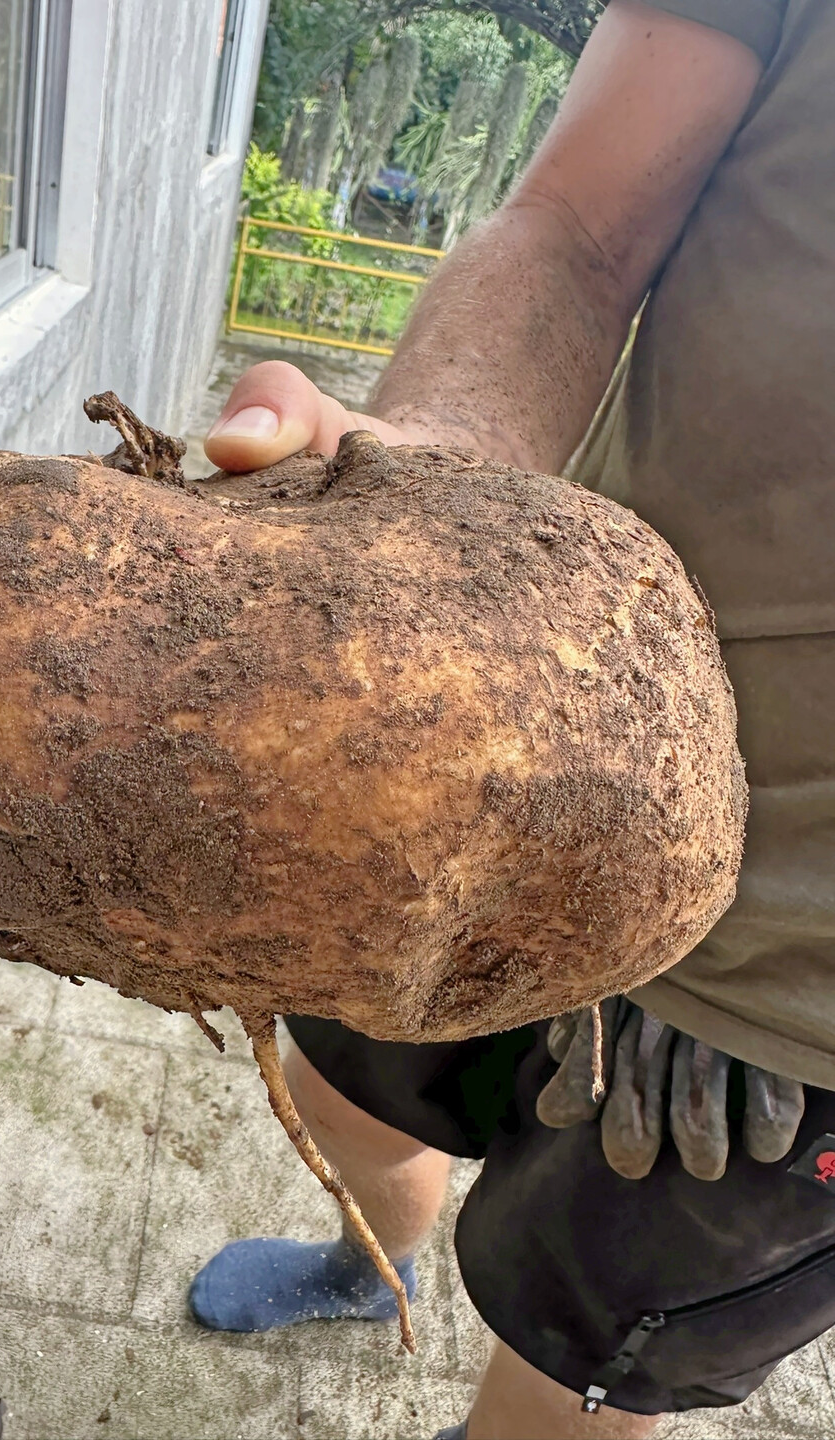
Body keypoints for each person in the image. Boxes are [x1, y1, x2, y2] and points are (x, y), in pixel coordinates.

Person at [188, 0, 835, 1436]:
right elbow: (578, 231)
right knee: (344, 1093)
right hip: (508, 763)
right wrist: (446, 478)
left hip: (800, 1007)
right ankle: (374, 1266)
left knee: (573, 1356)